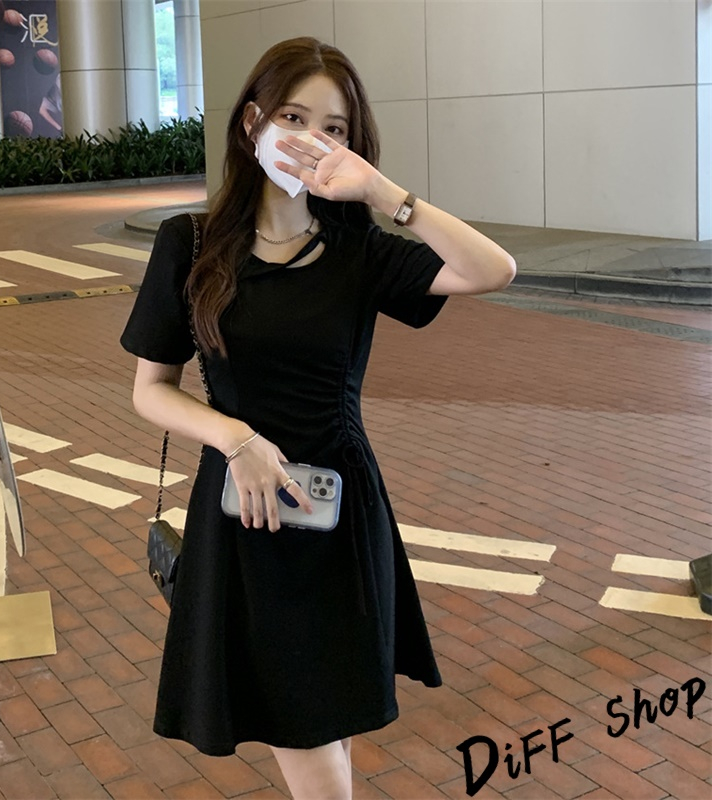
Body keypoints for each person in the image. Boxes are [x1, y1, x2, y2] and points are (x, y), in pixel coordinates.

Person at [120, 36, 515, 800]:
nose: (311, 141)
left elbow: (492, 270)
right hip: (245, 515)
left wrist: (385, 195)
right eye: (294, 118)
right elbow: (151, 389)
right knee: (302, 727)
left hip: (339, 515)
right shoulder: (190, 244)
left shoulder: (357, 249)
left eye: (333, 129)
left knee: (324, 720)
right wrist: (235, 437)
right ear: (252, 123)